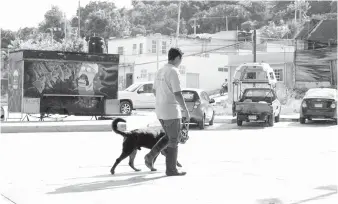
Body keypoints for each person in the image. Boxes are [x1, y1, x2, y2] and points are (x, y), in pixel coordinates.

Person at [144, 47, 190, 176]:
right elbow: (178, 93)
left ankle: (150, 156)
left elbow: (154, 91)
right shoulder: (174, 71)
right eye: (180, 59)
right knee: (174, 140)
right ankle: (171, 169)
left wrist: (162, 100)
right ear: (177, 58)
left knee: (168, 137)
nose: (180, 62)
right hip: (171, 110)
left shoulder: (160, 71)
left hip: (160, 110)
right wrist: (185, 110)